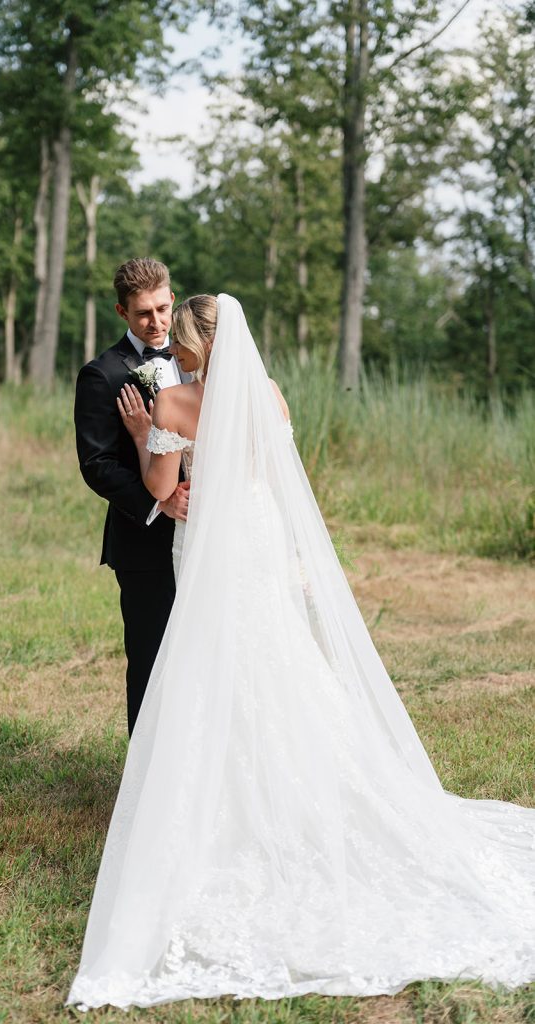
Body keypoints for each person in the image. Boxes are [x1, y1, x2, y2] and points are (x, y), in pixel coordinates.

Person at [66, 294, 535, 1011]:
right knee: (279, 666)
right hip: (257, 541)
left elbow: (164, 489)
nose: (178, 349)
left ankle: (219, 809)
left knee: (212, 668)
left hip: (212, 551)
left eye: (182, 338)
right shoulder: (271, 396)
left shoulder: (173, 406)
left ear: (194, 341)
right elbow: (282, 487)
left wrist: (140, 435)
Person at [74, 258, 190, 735]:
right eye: (144, 314)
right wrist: (158, 503)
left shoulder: (195, 358)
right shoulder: (102, 374)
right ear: (122, 312)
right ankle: (144, 788)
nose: (158, 323)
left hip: (207, 533)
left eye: (164, 308)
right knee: (151, 658)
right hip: (144, 545)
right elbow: (96, 464)